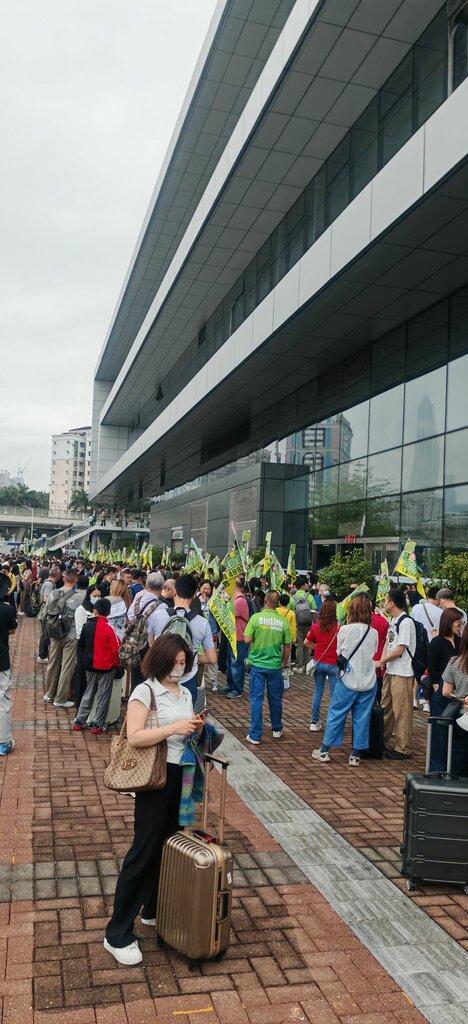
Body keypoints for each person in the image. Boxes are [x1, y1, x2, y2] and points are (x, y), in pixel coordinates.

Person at [104, 633, 205, 966]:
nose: (179, 668)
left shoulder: (186, 691)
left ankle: (153, 908)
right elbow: (134, 736)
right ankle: (117, 932)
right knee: (144, 850)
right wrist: (173, 729)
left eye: (184, 663)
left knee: (170, 845)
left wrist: (195, 728)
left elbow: (185, 731)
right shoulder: (145, 691)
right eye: (175, 663)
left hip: (181, 775)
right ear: (160, 661)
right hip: (154, 778)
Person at [312, 595, 378, 767]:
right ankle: (355, 754)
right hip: (369, 680)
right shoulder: (374, 633)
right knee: (362, 717)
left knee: (337, 713)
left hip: (348, 677)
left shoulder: (344, 630)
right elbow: (373, 652)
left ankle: (325, 750)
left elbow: (339, 652)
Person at [147, 575, 216, 706]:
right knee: (186, 715)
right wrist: (192, 656)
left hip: (161, 674)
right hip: (187, 678)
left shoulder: (158, 616)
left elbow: (151, 642)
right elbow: (212, 659)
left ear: (174, 591)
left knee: (160, 713)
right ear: (194, 595)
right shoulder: (202, 623)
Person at [244, 590, 291, 745]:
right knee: (275, 699)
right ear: (278, 603)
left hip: (257, 665)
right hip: (275, 666)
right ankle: (277, 729)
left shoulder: (255, 618)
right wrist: (284, 663)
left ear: (265, 600)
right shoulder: (283, 621)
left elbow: (247, 639)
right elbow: (287, 646)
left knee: (256, 700)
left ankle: (255, 735)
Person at [376, 589, 416, 761]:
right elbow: (388, 642)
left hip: (403, 672)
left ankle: (403, 748)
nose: (383, 603)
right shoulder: (393, 620)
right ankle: (381, 741)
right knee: (387, 708)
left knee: (402, 710)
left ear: (392, 603)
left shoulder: (406, 622)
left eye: (386, 600)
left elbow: (400, 649)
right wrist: (382, 662)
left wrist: (382, 661)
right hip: (391, 670)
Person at [73, 598, 121, 734]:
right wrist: (116, 665)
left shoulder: (87, 626)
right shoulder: (109, 629)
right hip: (106, 667)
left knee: (88, 693)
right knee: (103, 696)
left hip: (89, 665)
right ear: (109, 612)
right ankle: (98, 724)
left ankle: (79, 720)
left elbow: (81, 645)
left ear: (95, 610)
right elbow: (116, 650)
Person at [427, 608, 462, 772]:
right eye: (457, 622)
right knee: (439, 729)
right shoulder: (437, 642)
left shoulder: (460, 641)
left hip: (457, 689)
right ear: (449, 622)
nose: (460, 625)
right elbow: (431, 665)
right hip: (441, 687)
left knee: (456, 728)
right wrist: (436, 686)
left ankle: (452, 765)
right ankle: (437, 766)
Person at [43, 570, 84, 709]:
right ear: (75, 580)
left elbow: (46, 611)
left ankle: (49, 694)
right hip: (70, 634)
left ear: (64, 578)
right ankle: (60, 699)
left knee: (53, 663)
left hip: (54, 632)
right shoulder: (78, 597)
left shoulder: (53, 593)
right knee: (67, 667)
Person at [305, 599, 339, 731]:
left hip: (319, 662)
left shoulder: (315, 626)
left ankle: (314, 721)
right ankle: (333, 722)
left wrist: (318, 647)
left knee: (318, 692)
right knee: (334, 694)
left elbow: (306, 642)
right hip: (334, 664)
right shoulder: (339, 628)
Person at [127, 573, 164, 690]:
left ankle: (135, 698)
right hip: (149, 646)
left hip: (134, 642)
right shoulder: (161, 606)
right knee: (149, 679)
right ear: (162, 587)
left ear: (146, 585)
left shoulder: (138, 600)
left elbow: (130, 616)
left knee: (136, 678)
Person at [441, 624, 468, 777]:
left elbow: (445, 692)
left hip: (462, 717)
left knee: (459, 757)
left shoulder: (455, 661)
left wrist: (463, 699)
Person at [220, 580, 250, 699]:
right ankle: (231, 685)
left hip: (239, 636)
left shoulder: (240, 600)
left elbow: (228, 612)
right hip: (233, 636)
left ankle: (237, 689)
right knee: (230, 662)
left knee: (236, 663)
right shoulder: (234, 599)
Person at [0, 571, 17, 756]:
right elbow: (12, 629)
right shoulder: (7, 610)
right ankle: (3, 741)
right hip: (1, 659)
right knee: (2, 701)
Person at [37, 566, 61, 663]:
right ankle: (42, 655)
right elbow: (46, 599)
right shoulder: (49, 584)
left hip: (44, 612)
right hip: (46, 613)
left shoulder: (48, 582)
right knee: (45, 635)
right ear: (56, 574)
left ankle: (43, 654)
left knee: (45, 634)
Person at [198, 580, 219, 692]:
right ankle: (199, 680)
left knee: (212, 658)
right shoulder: (195, 601)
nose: (206, 591)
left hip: (211, 633)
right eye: (204, 588)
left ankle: (214, 681)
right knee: (199, 657)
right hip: (199, 633)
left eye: (208, 589)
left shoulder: (214, 601)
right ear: (200, 588)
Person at [293, 580, 317, 672]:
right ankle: (306, 665)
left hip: (297, 624)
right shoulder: (309, 596)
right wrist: (314, 623)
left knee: (299, 645)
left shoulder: (293, 598)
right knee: (307, 643)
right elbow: (314, 610)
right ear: (303, 586)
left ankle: (299, 665)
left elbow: (290, 610)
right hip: (308, 624)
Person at [277, 593, 296, 687]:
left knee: (278, 653)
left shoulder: (276, 610)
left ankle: (277, 668)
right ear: (288, 602)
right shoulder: (291, 613)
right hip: (287, 637)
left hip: (277, 635)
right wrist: (294, 638)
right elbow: (293, 626)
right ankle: (286, 670)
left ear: (279, 602)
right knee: (287, 655)